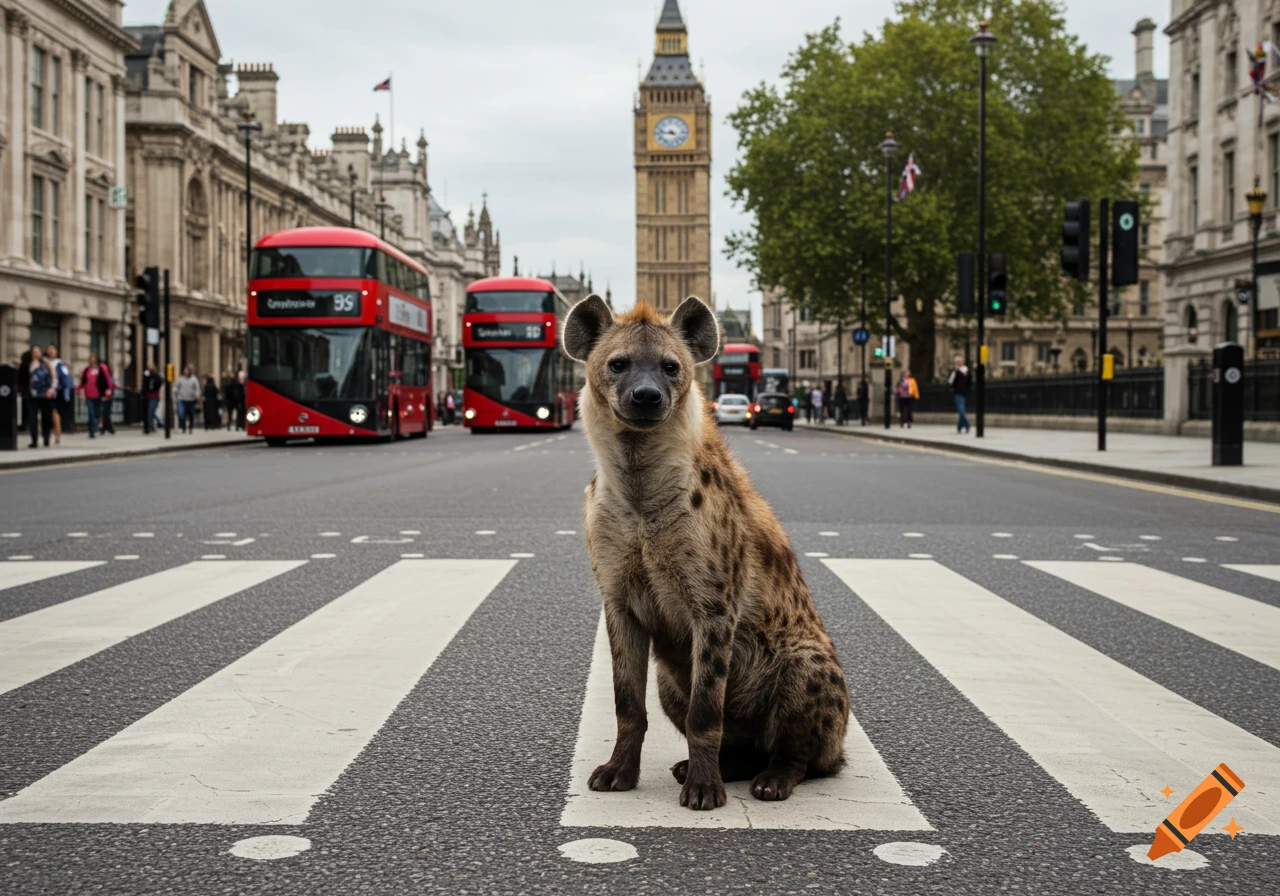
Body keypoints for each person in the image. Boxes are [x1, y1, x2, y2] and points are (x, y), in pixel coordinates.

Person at [79, 352, 114, 438]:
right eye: (91, 358)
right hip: (89, 394)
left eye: (94, 358)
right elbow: (83, 381)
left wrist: (109, 389)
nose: (92, 360)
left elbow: (107, 379)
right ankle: (92, 430)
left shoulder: (101, 369)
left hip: (98, 394)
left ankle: (98, 425)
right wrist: (80, 390)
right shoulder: (87, 370)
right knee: (91, 412)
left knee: (97, 413)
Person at [26, 346, 55, 448]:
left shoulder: (46, 363)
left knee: (46, 418)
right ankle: (34, 440)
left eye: (37, 351)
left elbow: (53, 376)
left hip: (45, 395)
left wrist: (52, 389)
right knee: (32, 418)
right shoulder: (28, 364)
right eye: (34, 351)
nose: (35, 353)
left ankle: (46, 438)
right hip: (32, 395)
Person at [46, 345, 74, 443]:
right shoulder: (45, 363)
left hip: (58, 392)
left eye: (53, 350)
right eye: (49, 350)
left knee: (55, 413)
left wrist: (66, 394)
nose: (51, 352)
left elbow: (66, 380)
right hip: (46, 391)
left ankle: (57, 435)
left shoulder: (60, 364)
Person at [948, 355, 971, 434]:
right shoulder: (955, 372)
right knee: (962, 411)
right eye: (957, 362)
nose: (958, 363)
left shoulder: (966, 370)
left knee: (962, 411)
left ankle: (959, 427)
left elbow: (969, 382)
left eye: (959, 362)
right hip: (958, 393)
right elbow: (950, 382)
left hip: (964, 393)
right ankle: (967, 426)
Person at [175, 366, 201, 433]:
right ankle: (183, 427)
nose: (186, 372)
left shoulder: (194, 379)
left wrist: (197, 395)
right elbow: (176, 387)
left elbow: (197, 388)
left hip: (191, 399)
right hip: (182, 399)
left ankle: (190, 427)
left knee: (191, 414)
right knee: (181, 413)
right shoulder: (181, 379)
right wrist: (176, 392)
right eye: (185, 370)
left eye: (187, 370)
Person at [142, 362, 163, 434]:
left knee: (151, 411)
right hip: (147, 396)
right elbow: (144, 382)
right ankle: (156, 424)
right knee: (150, 412)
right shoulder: (147, 374)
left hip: (154, 396)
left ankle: (151, 426)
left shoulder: (156, 376)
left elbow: (159, 382)